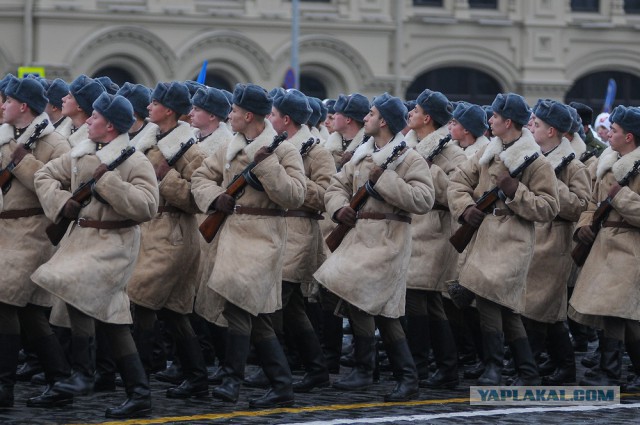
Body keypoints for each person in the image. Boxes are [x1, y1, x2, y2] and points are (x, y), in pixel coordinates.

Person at [31, 92, 159, 418]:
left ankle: (83, 375)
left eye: (95, 118)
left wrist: (105, 181)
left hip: (115, 243)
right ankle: (129, 390)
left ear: (111, 126)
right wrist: (63, 202)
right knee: (109, 317)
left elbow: (147, 206)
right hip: (83, 239)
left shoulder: (134, 160)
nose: (88, 121)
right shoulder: (82, 152)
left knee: (72, 285)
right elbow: (44, 175)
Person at [191, 83, 306, 408]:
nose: (230, 115)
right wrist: (217, 197)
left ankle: (232, 380)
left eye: (235, 111)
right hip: (229, 232)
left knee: (241, 306)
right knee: (248, 312)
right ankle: (280, 385)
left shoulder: (283, 150)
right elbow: (201, 177)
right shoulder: (229, 145)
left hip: (262, 234)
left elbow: (295, 195)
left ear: (248, 115)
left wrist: (266, 165)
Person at [314, 93, 434, 402]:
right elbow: (336, 186)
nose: (365, 118)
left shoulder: (409, 157)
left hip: (388, 240)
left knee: (378, 307)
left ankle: (400, 377)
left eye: (371, 114)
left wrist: (386, 180)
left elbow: (423, 199)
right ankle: (370, 371)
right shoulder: (361, 155)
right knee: (363, 303)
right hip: (358, 236)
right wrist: (339, 209)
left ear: (383, 121)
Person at [448, 92, 559, 386]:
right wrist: (466, 208)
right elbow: (458, 182)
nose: (490, 120)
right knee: (501, 306)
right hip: (484, 234)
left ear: (508, 121)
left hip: (513, 238)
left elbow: (549, 206)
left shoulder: (536, 162)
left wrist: (515, 192)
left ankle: (496, 366)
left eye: (495, 116)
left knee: (491, 299)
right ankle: (524, 370)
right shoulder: (487, 154)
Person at [124, 81, 209, 399]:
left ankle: (139, 380)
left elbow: (196, 199)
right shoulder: (150, 141)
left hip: (173, 234)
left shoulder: (190, 150)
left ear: (169, 110)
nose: (148, 106)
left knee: (141, 301)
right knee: (173, 313)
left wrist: (166, 177)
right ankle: (197, 377)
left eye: (155, 102)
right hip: (151, 230)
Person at [0, 77, 71, 408]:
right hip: (6, 230)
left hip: (32, 230)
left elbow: (57, 186)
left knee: (4, 302)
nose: (2, 106)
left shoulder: (55, 143)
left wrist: (18, 160)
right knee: (29, 313)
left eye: (8, 101)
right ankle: (60, 381)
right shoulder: (6, 136)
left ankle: (5, 387)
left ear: (23, 106)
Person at [267, 88, 336, 392]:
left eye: (273, 115)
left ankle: (284, 369)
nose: (269, 119)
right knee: (289, 307)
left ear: (286, 119)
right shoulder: (277, 146)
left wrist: (291, 181)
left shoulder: (316, 151)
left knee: (278, 302)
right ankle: (314, 368)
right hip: (277, 229)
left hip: (299, 230)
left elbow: (325, 194)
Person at [569, 106, 640, 390]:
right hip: (605, 244)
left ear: (630, 137)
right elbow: (592, 203)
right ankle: (609, 370)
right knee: (615, 311)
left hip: (630, 247)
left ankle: (611, 370)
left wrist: (621, 197)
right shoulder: (608, 163)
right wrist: (584, 225)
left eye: (615, 130)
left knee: (621, 311)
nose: (609, 134)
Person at [522, 100, 590, 385]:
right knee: (544, 311)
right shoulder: (534, 158)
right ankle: (561, 366)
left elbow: (580, 206)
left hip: (556, 241)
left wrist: (553, 182)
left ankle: (531, 366)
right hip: (533, 236)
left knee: (540, 308)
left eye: (536, 125)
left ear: (552, 131)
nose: (530, 128)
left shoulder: (572, 165)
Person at [403, 89, 466, 389]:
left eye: (415, 110)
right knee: (423, 302)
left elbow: (454, 194)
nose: (410, 114)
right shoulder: (409, 146)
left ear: (427, 117)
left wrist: (429, 170)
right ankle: (436, 366)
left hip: (436, 230)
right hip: (414, 228)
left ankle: (431, 366)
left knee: (424, 300)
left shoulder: (452, 153)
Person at [323, 93, 369, 170]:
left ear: (348, 119)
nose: (334, 116)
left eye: (337, 113)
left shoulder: (367, 147)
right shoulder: (329, 145)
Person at [58, 75, 106, 145]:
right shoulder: (60, 132)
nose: (63, 99)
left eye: (69, 97)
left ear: (80, 106)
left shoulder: (89, 142)